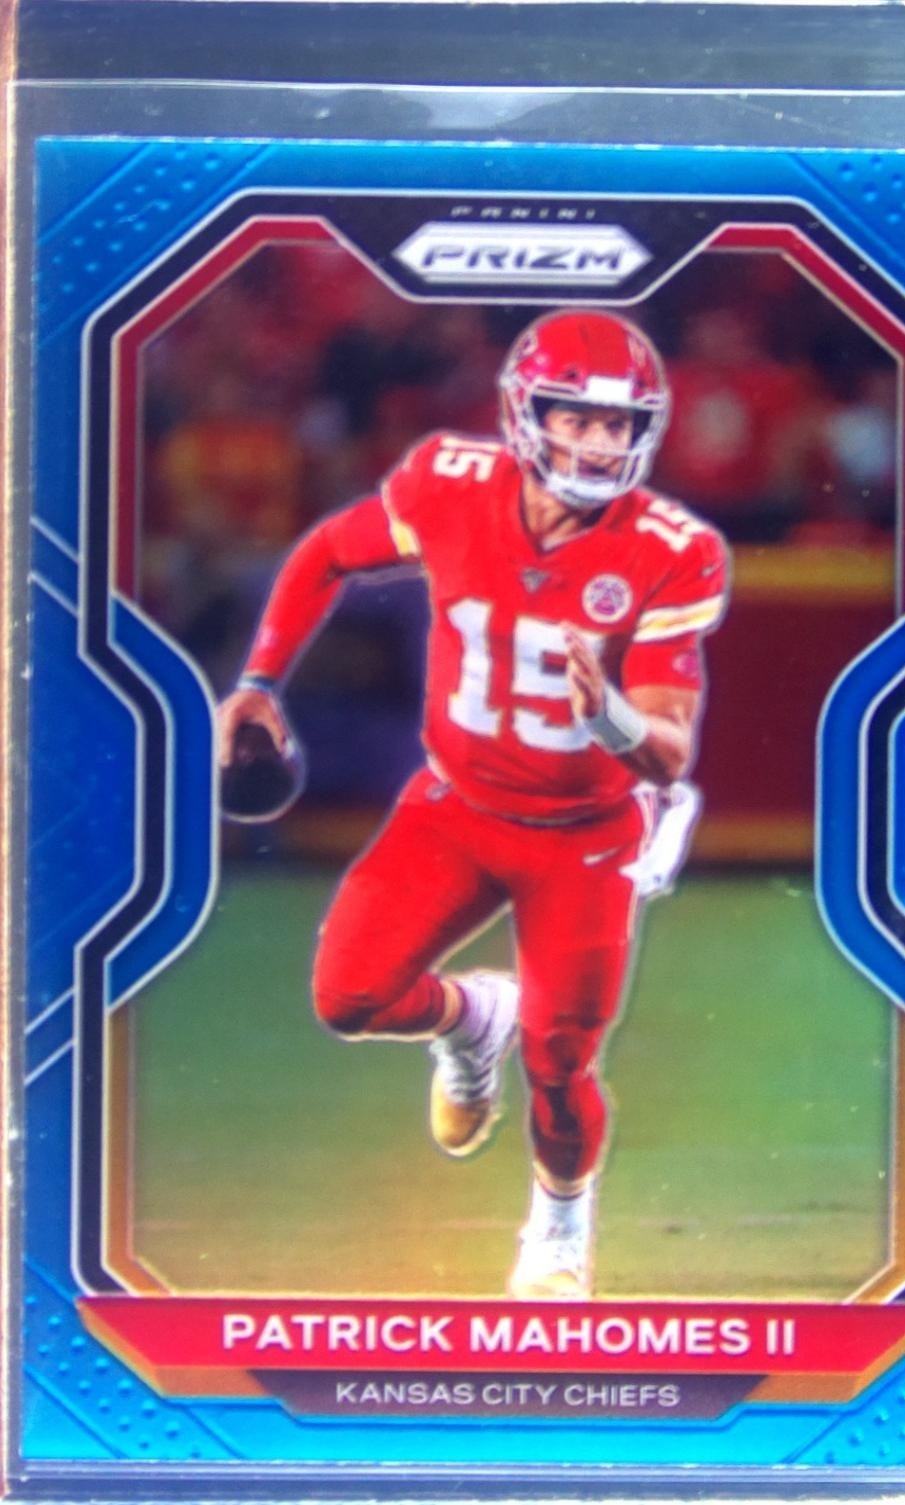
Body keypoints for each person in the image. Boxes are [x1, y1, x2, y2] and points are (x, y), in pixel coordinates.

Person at [217, 310, 729, 1300]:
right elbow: (327, 551)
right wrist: (261, 678)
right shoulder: (450, 483)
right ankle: (470, 1018)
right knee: (349, 996)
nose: (600, 443)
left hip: (585, 834)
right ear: (526, 412)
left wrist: (610, 713)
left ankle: (559, 1227)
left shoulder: (674, 548)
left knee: (561, 1060)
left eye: (619, 424)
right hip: (454, 805)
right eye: (576, 418)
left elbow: (669, 747)